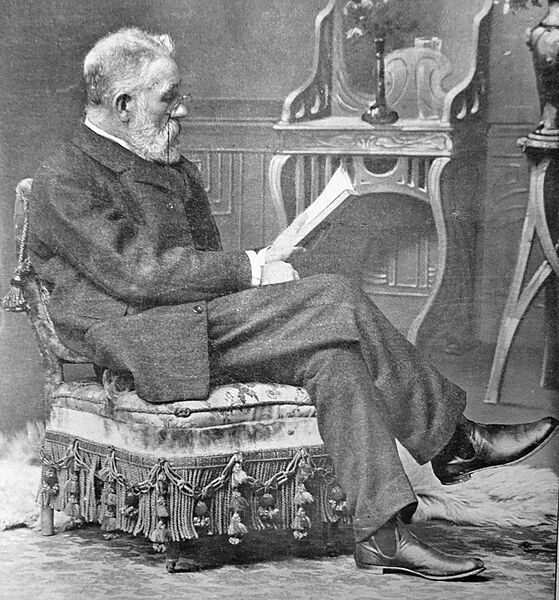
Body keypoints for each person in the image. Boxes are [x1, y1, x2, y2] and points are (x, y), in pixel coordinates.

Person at [28, 28, 557, 581]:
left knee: (334, 358)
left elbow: (199, 266)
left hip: (194, 325)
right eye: (169, 97)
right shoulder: (65, 177)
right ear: (123, 104)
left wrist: (273, 264)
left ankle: (383, 536)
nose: (181, 109)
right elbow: (139, 273)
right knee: (335, 295)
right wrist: (254, 268)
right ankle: (455, 441)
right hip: (140, 340)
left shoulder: (168, 163)